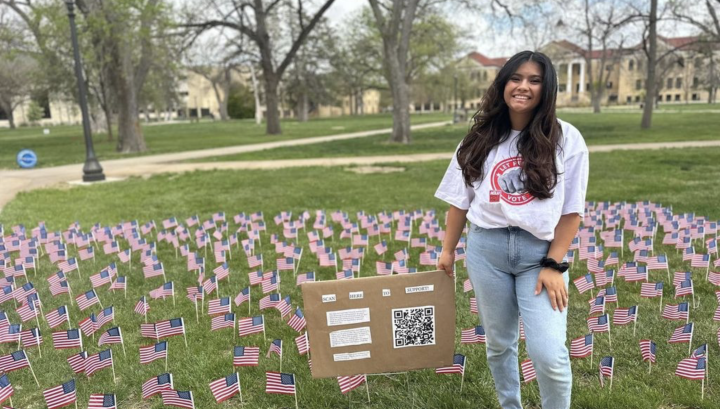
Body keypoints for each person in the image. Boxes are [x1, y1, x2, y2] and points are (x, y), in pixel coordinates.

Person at [435, 51, 589, 409]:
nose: (523, 87)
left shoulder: (566, 138)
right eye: (516, 78)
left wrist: (553, 265)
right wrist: (447, 250)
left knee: (548, 352)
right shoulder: (478, 138)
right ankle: (510, 405)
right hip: (487, 251)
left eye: (535, 80)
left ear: (546, 88)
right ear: (503, 83)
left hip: (540, 254)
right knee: (499, 343)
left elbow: (572, 211)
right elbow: (460, 201)